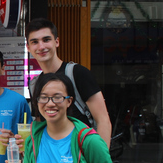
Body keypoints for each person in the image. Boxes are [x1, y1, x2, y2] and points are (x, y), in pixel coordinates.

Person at [25, 17, 112, 147]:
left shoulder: (78, 73)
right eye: (35, 42)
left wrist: (101, 161)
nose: (41, 46)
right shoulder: (34, 84)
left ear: (57, 42)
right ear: (28, 47)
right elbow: (40, 124)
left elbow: (103, 120)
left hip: (82, 155)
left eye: (46, 40)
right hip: (52, 158)